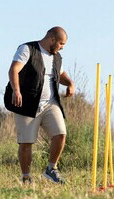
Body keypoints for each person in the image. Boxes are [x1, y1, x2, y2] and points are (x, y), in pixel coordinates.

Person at [4, 26, 75, 184]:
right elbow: (14, 69)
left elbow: (61, 74)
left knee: (60, 134)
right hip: (27, 103)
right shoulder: (27, 49)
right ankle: (26, 177)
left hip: (51, 103)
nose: (62, 47)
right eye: (61, 43)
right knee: (26, 142)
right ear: (52, 39)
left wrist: (69, 83)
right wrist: (16, 90)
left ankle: (51, 169)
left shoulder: (57, 57)